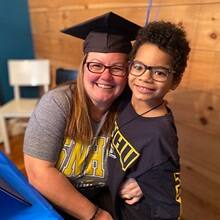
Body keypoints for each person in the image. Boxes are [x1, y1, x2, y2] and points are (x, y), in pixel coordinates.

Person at [23, 12, 141, 220]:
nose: (105, 75)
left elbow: (149, 158)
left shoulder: (131, 110)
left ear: (127, 73)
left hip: (100, 196)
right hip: (54, 200)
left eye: (117, 68)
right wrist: (95, 215)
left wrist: (138, 180)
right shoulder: (57, 103)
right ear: (84, 67)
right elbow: (38, 173)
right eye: (96, 65)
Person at [107, 21, 191, 220]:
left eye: (160, 72)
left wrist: (147, 184)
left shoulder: (159, 137)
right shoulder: (126, 99)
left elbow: (169, 207)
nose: (145, 77)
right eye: (138, 67)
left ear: (175, 81)